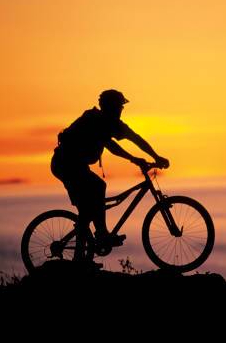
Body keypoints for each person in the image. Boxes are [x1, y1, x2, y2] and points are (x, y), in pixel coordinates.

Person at [51, 89, 169, 261]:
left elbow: (136, 138)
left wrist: (156, 156)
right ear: (110, 107)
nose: (121, 110)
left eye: (122, 107)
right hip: (65, 164)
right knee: (97, 188)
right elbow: (111, 146)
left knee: (88, 207)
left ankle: (85, 254)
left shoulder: (113, 123)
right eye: (119, 106)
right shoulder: (94, 120)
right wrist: (134, 159)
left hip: (76, 166)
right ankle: (100, 236)